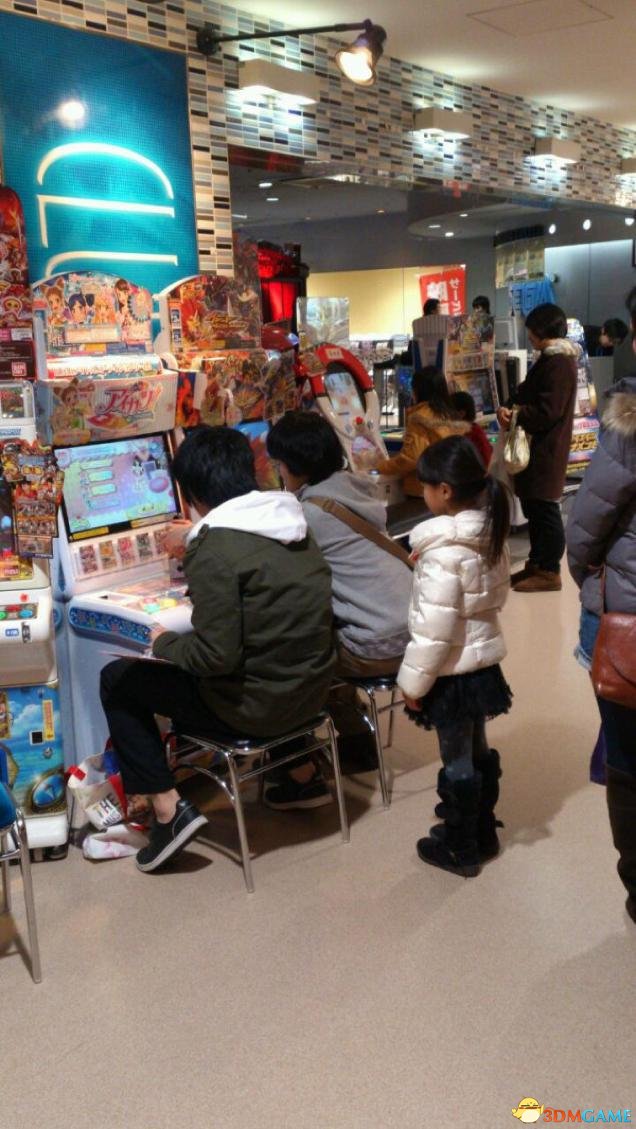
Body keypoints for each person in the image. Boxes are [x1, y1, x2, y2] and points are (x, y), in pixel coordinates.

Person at [99, 426, 335, 872]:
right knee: (272, 646)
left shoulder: (214, 548)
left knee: (118, 680)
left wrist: (163, 642)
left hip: (256, 710)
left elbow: (214, 658)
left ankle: (168, 810)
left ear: (192, 494)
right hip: (311, 694)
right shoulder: (292, 522)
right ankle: (301, 773)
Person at [266, 411, 413, 772]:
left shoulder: (308, 514)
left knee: (293, 658)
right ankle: (357, 744)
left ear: (295, 466)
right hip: (417, 632)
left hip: (378, 647)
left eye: (279, 464)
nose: (278, 472)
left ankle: (298, 763)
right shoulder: (356, 488)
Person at [398, 435, 512, 878]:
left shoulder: (443, 552)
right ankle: (483, 830)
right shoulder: (490, 534)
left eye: (424, 485)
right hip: (482, 666)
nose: (422, 493)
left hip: (450, 673)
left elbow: (434, 631)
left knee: (457, 759)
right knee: (478, 747)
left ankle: (461, 847)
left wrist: (413, 685)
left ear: (444, 490)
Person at [566, 365, 636, 922]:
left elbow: (587, 525)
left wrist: (587, 578)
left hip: (628, 619)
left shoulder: (629, 422)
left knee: (628, 755)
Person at [497, 303, 577, 592]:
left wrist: (517, 415)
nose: (529, 335)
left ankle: (550, 570)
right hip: (539, 449)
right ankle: (538, 563)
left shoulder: (559, 362)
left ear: (543, 329)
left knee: (545, 510)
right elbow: (528, 392)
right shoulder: (550, 359)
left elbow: (548, 410)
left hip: (546, 450)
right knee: (535, 508)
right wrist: (509, 406)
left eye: (531, 330)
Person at [374, 367, 469, 497]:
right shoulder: (450, 415)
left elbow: (411, 458)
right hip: (449, 488)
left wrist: (381, 466)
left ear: (417, 390)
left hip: (424, 491)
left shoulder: (419, 418)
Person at [450, 390, 493, 467]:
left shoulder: (475, 433)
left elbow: (487, 463)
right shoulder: (461, 432)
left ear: (461, 413)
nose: (447, 415)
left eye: (450, 411)